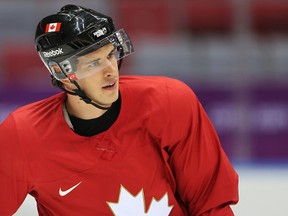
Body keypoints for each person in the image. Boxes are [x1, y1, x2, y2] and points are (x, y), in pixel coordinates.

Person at [0, 4, 238, 216]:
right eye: (93, 63)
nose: (110, 70)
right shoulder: (23, 136)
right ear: (61, 73)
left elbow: (212, 205)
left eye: (110, 54)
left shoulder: (169, 102)